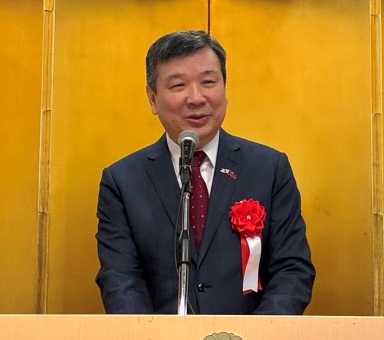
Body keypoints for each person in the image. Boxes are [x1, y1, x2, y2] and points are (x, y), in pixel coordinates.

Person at [96, 30, 315, 314]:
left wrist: (254, 336)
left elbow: (292, 270)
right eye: (178, 85)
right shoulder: (122, 181)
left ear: (224, 88)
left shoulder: (269, 168)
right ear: (152, 98)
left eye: (208, 82)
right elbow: (120, 279)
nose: (196, 98)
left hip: (251, 339)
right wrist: (150, 338)